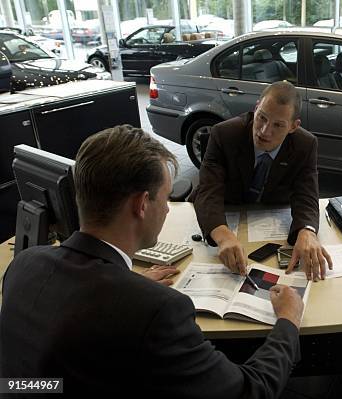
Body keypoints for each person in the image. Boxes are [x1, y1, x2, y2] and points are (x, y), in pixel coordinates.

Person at [0, 125, 304, 398]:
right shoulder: (157, 310)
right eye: (166, 198)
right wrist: (288, 321)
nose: (169, 210)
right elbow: (250, 390)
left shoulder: (24, 264)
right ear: (142, 204)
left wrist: (126, 282)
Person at [192, 81, 333, 281]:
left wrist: (307, 230)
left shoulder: (305, 144)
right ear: (256, 107)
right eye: (262, 118)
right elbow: (208, 190)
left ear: (294, 126)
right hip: (227, 215)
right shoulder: (224, 134)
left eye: (278, 125)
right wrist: (223, 236)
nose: (265, 131)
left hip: (269, 223)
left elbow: (307, 194)